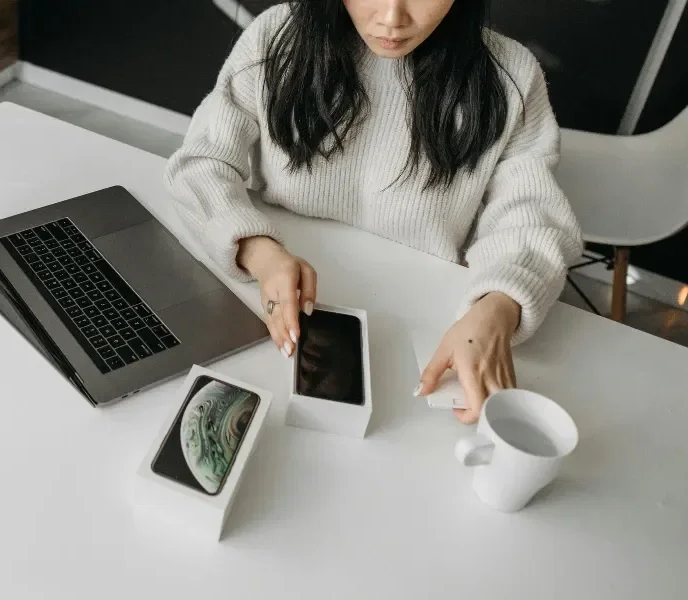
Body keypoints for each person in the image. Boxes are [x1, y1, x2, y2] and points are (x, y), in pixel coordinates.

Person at [163, 0, 583, 423]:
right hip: (259, 308)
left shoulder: (511, 75)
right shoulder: (278, 34)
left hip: (419, 332)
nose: (391, 19)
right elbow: (201, 164)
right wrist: (258, 251)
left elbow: (532, 216)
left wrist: (500, 306)